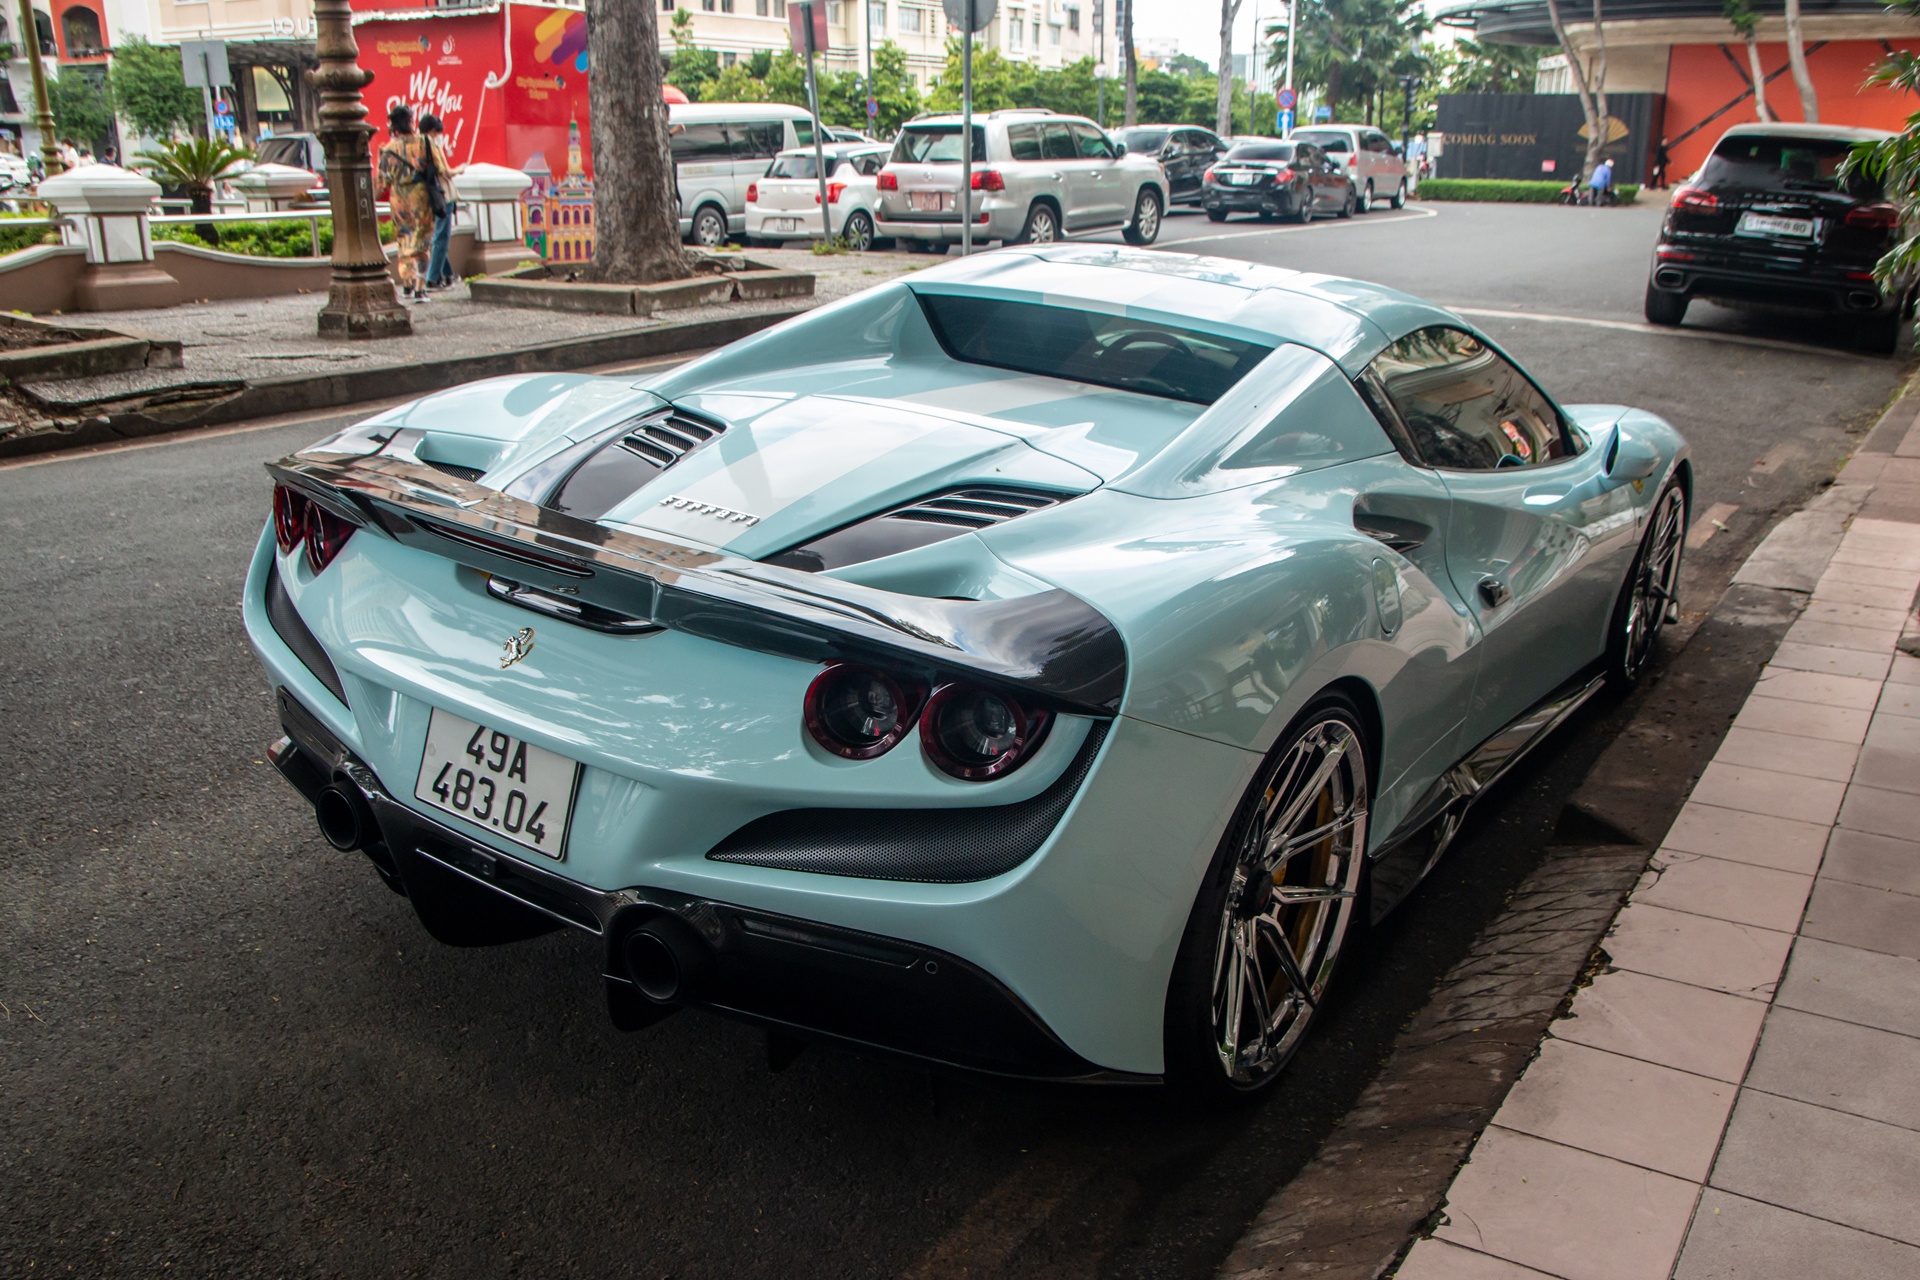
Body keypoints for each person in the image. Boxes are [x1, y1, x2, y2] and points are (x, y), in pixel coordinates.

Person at [376, 104, 433, 301]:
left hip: (398, 199)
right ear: (411, 120)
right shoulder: (425, 142)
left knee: (404, 240)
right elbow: (440, 169)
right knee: (422, 242)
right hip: (420, 197)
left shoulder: (387, 150)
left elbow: (382, 182)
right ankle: (420, 287)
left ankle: (407, 285)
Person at [419, 114, 458, 290]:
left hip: (427, 195)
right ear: (433, 131)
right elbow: (445, 172)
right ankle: (433, 278)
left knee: (438, 235)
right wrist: (461, 169)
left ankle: (448, 274)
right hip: (442, 194)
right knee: (442, 236)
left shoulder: (415, 145)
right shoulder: (432, 145)